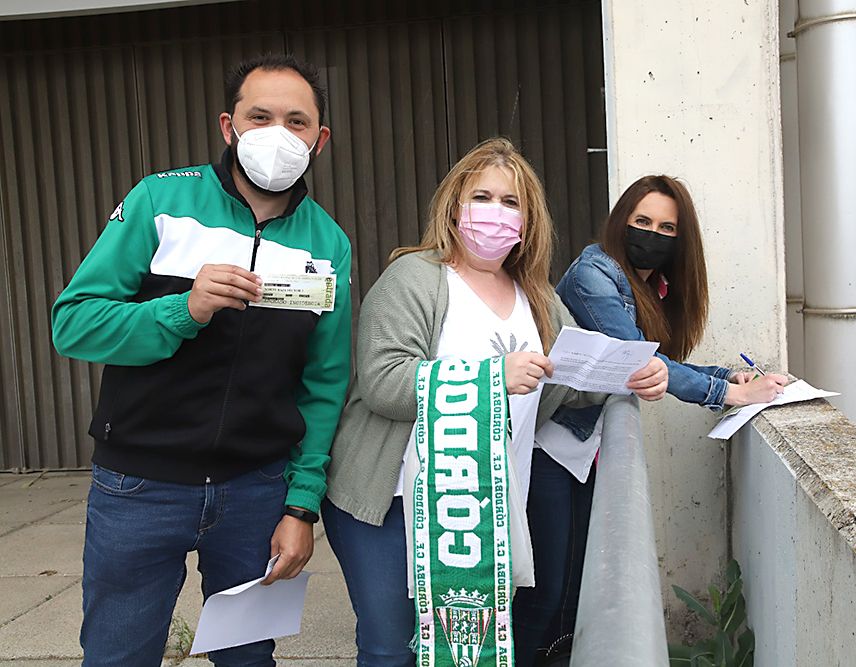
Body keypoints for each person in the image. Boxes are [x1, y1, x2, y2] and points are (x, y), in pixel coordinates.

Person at [50, 54, 352, 667]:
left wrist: (301, 504)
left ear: (319, 140)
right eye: (259, 116)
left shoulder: (329, 243)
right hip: (140, 487)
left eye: (296, 122)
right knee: (116, 656)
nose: (276, 134)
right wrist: (180, 310)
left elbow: (324, 383)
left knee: (247, 659)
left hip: (256, 492)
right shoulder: (160, 201)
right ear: (228, 126)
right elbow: (73, 323)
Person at [322, 138, 668, 666]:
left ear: (528, 222)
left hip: (477, 515)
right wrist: (491, 377)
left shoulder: (539, 297)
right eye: (481, 196)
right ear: (453, 205)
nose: (495, 213)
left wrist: (634, 374)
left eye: (511, 203)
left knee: (462, 652)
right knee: (392, 650)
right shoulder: (415, 278)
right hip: (390, 505)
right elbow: (385, 382)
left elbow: (569, 379)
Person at [515, 175, 787, 664]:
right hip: (550, 445)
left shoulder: (650, 285)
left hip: (584, 450)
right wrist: (728, 392)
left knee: (572, 592)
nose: (652, 234)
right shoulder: (594, 274)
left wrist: (733, 375)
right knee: (547, 594)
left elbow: (663, 360)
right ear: (621, 220)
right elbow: (641, 363)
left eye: (666, 227)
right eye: (642, 221)